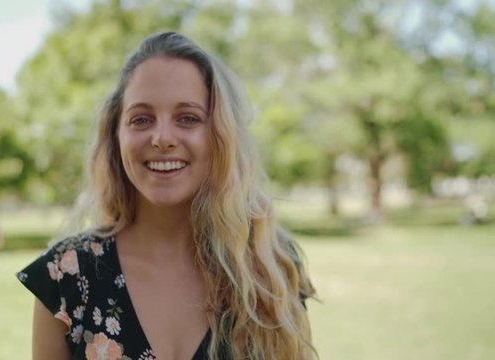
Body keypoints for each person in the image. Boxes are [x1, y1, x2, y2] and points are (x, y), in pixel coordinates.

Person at [17, 31, 316, 360]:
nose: (162, 138)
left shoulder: (270, 266)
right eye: (141, 119)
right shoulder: (66, 275)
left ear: (221, 135)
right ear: (116, 136)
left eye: (188, 118)